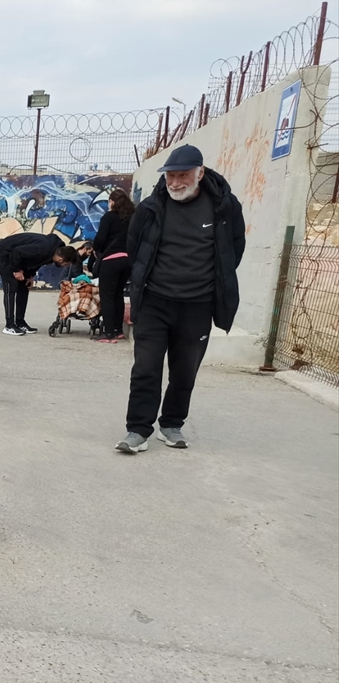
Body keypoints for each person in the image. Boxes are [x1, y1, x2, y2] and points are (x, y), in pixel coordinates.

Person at [116, 144, 245, 453]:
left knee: (185, 370)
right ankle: (138, 430)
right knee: (146, 367)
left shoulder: (224, 207)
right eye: (171, 176)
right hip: (155, 302)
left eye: (183, 175)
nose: (175, 183)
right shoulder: (151, 208)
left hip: (198, 304)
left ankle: (171, 424)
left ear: (200, 173)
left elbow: (233, 250)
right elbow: (135, 251)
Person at [0, 232, 80, 335]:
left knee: (24, 286)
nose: (63, 266)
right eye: (65, 264)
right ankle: (9, 325)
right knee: (11, 286)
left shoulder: (52, 252)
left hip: (19, 258)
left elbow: (36, 261)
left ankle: (20, 323)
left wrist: (30, 276)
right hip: (5, 253)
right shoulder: (43, 249)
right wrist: (16, 270)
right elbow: (17, 252)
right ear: (61, 259)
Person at [93, 188, 135, 343]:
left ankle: (108, 333)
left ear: (111, 202)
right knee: (118, 295)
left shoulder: (109, 217)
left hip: (111, 260)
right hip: (127, 260)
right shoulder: (132, 218)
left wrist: (97, 249)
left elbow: (100, 240)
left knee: (107, 297)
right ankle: (118, 331)